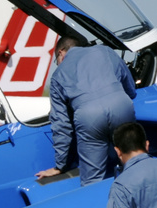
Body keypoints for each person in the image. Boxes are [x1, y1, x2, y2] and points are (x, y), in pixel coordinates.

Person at [36, 33, 137, 185]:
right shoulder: (105, 51)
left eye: (57, 61)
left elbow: (61, 124)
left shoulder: (58, 75)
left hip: (89, 118)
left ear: (61, 53)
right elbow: (130, 88)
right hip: (121, 107)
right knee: (135, 166)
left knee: (92, 181)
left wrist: (60, 166)